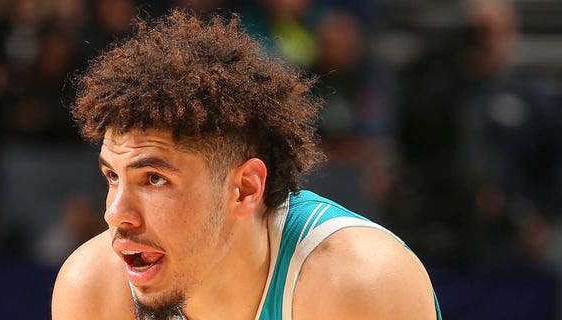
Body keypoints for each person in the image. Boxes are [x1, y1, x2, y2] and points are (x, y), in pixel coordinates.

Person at [51, 9, 441, 320]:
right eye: (112, 176)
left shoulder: (360, 285)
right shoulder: (93, 287)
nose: (115, 215)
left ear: (246, 189)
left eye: (154, 179)